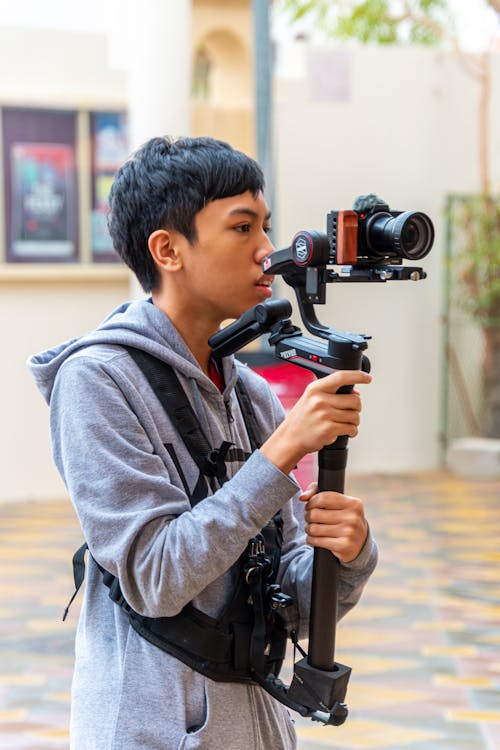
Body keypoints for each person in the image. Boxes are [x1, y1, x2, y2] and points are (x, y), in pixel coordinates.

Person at [28, 136, 377, 750]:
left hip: (257, 726)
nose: (268, 252)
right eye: (242, 228)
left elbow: (288, 606)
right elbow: (154, 578)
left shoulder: (249, 393)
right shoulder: (98, 381)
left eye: (266, 226)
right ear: (168, 250)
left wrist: (347, 558)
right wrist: (279, 457)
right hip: (153, 729)